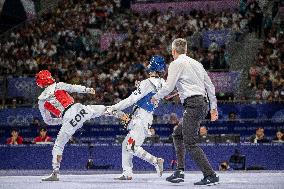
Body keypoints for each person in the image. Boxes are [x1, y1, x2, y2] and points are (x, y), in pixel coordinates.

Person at [151, 38, 219, 185]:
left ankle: (211, 175)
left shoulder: (176, 63)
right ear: (186, 50)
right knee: (177, 134)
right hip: (202, 104)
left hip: (194, 104)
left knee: (190, 143)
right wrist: (213, 108)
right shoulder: (197, 64)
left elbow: (169, 87)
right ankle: (180, 171)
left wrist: (156, 97)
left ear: (173, 51)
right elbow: (210, 86)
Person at [35, 70, 107, 181]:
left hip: (67, 120)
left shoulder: (41, 101)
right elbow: (74, 88)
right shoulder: (58, 85)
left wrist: (62, 120)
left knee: (58, 146)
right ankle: (118, 113)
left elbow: (48, 121)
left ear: (40, 82)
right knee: (100, 109)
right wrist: (87, 90)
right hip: (78, 109)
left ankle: (55, 172)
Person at [107, 55, 166, 180]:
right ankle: (127, 172)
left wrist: (114, 107)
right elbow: (150, 92)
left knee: (131, 146)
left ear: (152, 67)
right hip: (146, 117)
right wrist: (140, 87)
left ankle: (156, 161)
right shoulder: (162, 83)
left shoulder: (146, 83)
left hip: (140, 117)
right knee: (126, 144)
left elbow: (131, 100)